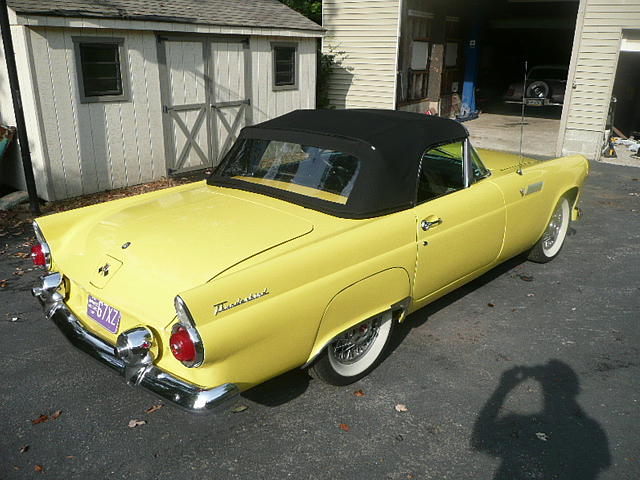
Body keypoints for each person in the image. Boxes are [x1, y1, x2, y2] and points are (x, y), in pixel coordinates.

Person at [471, 360, 610, 479]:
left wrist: (503, 387)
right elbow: (604, 462)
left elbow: (480, 439)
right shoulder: (592, 429)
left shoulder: (520, 423)